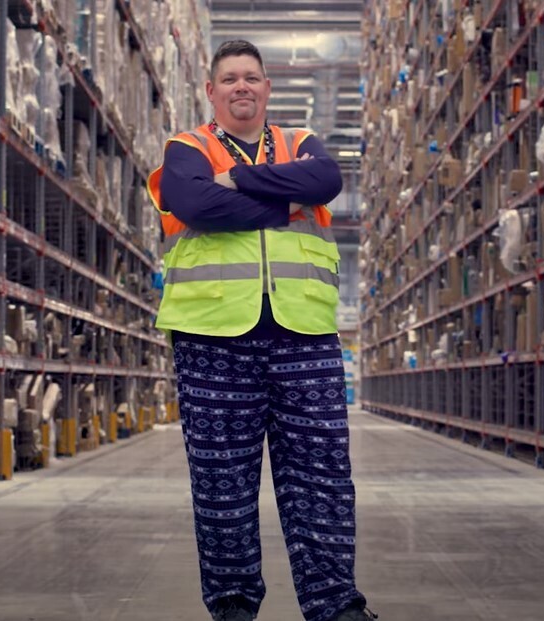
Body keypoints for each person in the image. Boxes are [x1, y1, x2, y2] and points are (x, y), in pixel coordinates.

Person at [146, 40, 376, 621]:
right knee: (221, 480)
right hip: (212, 335)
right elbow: (193, 204)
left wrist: (236, 183)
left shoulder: (303, 144)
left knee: (321, 474)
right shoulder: (186, 146)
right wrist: (281, 202)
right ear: (211, 90)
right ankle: (233, 604)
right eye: (229, 79)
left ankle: (334, 604)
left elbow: (325, 181)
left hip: (303, 333)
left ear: (267, 87)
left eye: (251, 77)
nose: (241, 86)